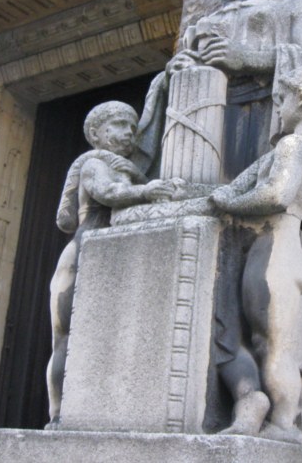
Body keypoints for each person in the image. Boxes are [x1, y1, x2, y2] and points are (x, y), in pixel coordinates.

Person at [209, 65, 302, 443]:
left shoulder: (292, 145)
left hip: (273, 255)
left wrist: (228, 202)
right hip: (295, 260)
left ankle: (283, 426)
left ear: (301, 98)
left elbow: (277, 196)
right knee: (281, 345)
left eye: (281, 100)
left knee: (271, 346)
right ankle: (283, 421)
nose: (279, 110)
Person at [135, 0, 302, 179]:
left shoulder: (296, 8)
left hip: (264, 116)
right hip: (206, 123)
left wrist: (246, 58)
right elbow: (185, 72)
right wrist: (173, 75)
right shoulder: (210, 21)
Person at [46, 101, 180, 428]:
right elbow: (106, 192)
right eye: (119, 124)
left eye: (132, 127)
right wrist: (146, 190)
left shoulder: (126, 169)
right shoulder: (94, 163)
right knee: (66, 337)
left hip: (116, 258)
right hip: (83, 255)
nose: (129, 132)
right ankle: (57, 411)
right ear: (96, 133)